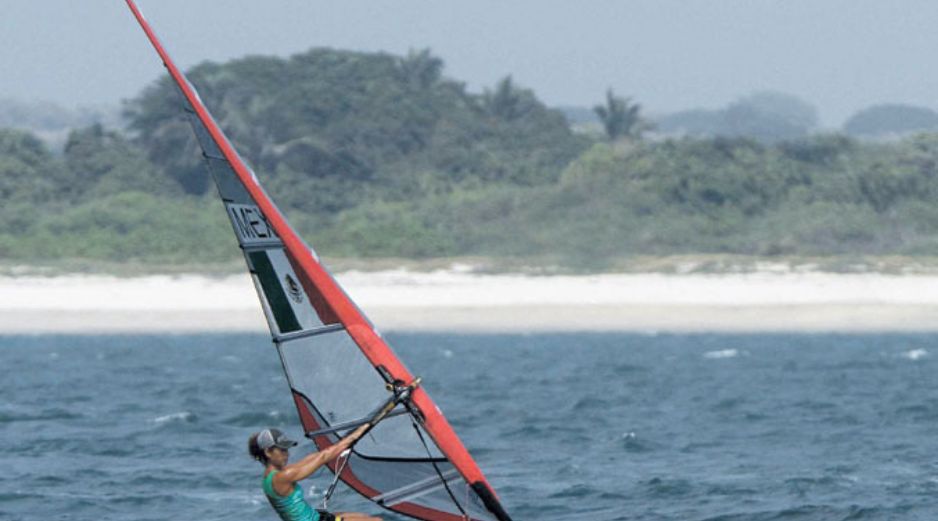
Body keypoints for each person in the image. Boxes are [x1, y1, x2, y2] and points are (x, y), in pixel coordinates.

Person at [249, 425, 381, 521]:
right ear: (268, 452)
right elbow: (323, 458)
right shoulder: (282, 476)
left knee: (367, 518)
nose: (287, 454)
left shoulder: (272, 475)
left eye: (287, 449)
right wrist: (354, 436)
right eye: (282, 450)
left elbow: (313, 458)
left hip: (315, 517)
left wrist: (346, 441)